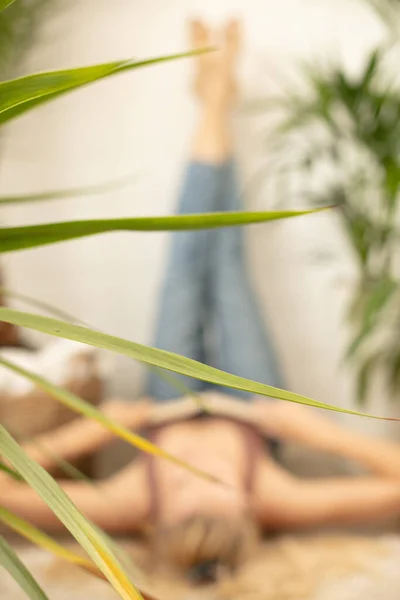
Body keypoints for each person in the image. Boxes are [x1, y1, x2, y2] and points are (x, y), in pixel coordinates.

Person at [2, 20, 400, 586]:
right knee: (228, 263)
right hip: (252, 402)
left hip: (167, 399)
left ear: (155, 520)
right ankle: (217, 102)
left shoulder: (133, 500)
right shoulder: (274, 496)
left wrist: (100, 429)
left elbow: (6, 492)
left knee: (187, 262)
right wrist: (312, 433)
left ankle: (213, 103)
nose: (201, 475)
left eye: (186, 492)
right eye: (219, 490)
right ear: (250, 510)